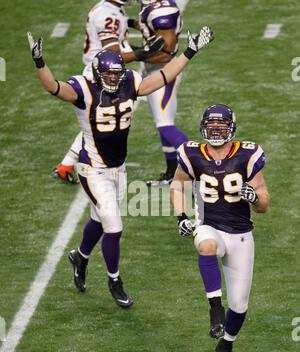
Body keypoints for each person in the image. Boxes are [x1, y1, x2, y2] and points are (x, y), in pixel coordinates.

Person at [27, 27, 214, 308]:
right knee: (114, 226)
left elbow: (163, 76)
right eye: (109, 75)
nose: (114, 79)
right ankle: (114, 280)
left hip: (119, 168)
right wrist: (39, 62)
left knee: (99, 220)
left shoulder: (130, 81)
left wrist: (191, 50)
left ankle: (80, 256)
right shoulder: (85, 88)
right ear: (97, 73)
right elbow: (54, 87)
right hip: (93, 169)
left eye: (117, 74)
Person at [170, 104, 270, 352]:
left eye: (221, 127)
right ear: (203, 127)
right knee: (206, 245)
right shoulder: (192, 153)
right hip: (208, 225)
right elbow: (177, 184)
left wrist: (254, 198)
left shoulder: (247, 154)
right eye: (211, 127)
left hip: (240, 234)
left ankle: (226, 345)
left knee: (239, 305)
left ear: (231, 129)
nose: (215, 132)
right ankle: (215, 309)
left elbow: (264, 202)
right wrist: (181, 216)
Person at [52, 0, 164, 184]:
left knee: (100, 121)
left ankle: (65, 165)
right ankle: (66, 165)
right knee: (104, 120)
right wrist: (143, 52)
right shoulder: (107, 15)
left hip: (101, 70)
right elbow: (114, 53)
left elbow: (122, 21)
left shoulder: (109, 8)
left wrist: (137, 25)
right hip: (100, 74)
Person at [127, 0, 190, 187]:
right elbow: (150, 30)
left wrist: (133, 53)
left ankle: (201, 170)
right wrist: (130, 23)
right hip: (155, 70)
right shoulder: (153, 6)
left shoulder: (162, 11)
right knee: (162, 124)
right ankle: (172, 174)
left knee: (165, 125)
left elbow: (166, 53)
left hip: (163, 72)